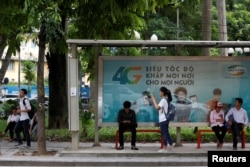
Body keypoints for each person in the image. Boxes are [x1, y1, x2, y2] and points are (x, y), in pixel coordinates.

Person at [151, 87, 174, 152]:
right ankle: (171, 146)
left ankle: (165, 148)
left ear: (162, 92)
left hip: (163, 119)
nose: (159, 93)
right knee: (166, 133)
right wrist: (155, 100)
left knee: (164, 133)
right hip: (166, 119)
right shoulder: (166, 99)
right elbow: (160, 107)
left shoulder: (163, 100)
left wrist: (153, 100)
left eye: (160, 92)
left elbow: (157, 108)